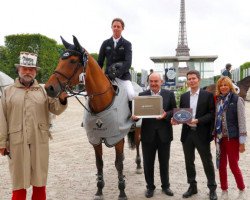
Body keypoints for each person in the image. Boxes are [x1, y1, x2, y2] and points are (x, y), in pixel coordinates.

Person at [0, 52, 68, 200]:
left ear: (35, 72)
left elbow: (55, 108)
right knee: (19, 181)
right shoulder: (8, 92)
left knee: (39, 180)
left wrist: (62, 100)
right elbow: (2, 118)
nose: (28, 72)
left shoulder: (44, 91)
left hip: (39, 140)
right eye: (24, 68)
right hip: (16, 141)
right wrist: (2, 142)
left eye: (31, 69)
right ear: (19, 70)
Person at [172, 70, 218, 200]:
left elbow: (211, 114)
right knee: (189, 162)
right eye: (189, 79)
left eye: (194, 78)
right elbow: (181, 114)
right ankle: (192, 186)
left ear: (199, 79)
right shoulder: (184, 96)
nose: (191, 81)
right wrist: (175, 120)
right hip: (187, 134)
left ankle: (212, 188)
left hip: (201, 133)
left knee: (207, 161)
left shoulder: (207, 95)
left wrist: (198, 120)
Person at [132, 72, 177, 198]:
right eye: (151, 81)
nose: (153, 84)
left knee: (164, 162)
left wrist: (166, 115)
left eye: (156, 81)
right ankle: (150, 187)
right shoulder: (141, 95)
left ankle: (166, 186)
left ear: (161, 82)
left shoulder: (169, 94)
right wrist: (134, 117)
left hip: (164, 134)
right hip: (147, 135)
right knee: (148, 163)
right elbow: (136, 115)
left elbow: (174, 111)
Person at [214, 76, 247, 200]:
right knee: (221, 165)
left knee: (233, 164)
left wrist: (242, 142)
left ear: (230, 86)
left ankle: (242, 188)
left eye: (225, 85)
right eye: (221, 85)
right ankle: (224, 190)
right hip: (219, 138)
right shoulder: (217, 100)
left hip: (232, 138)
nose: (223, 87)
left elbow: (242, 122)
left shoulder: (237, 99)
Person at [97, 18, 135, 102]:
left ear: (122, 28)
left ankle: (131, 114)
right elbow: (100, 62)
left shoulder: (127, 44)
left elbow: (128, 63)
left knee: (131, 95)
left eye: (118, 26)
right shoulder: (105, 43)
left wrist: (117, 73)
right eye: (114, 26)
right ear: (111, 27)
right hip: (107, 77)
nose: (116, 28)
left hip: (123, 77)